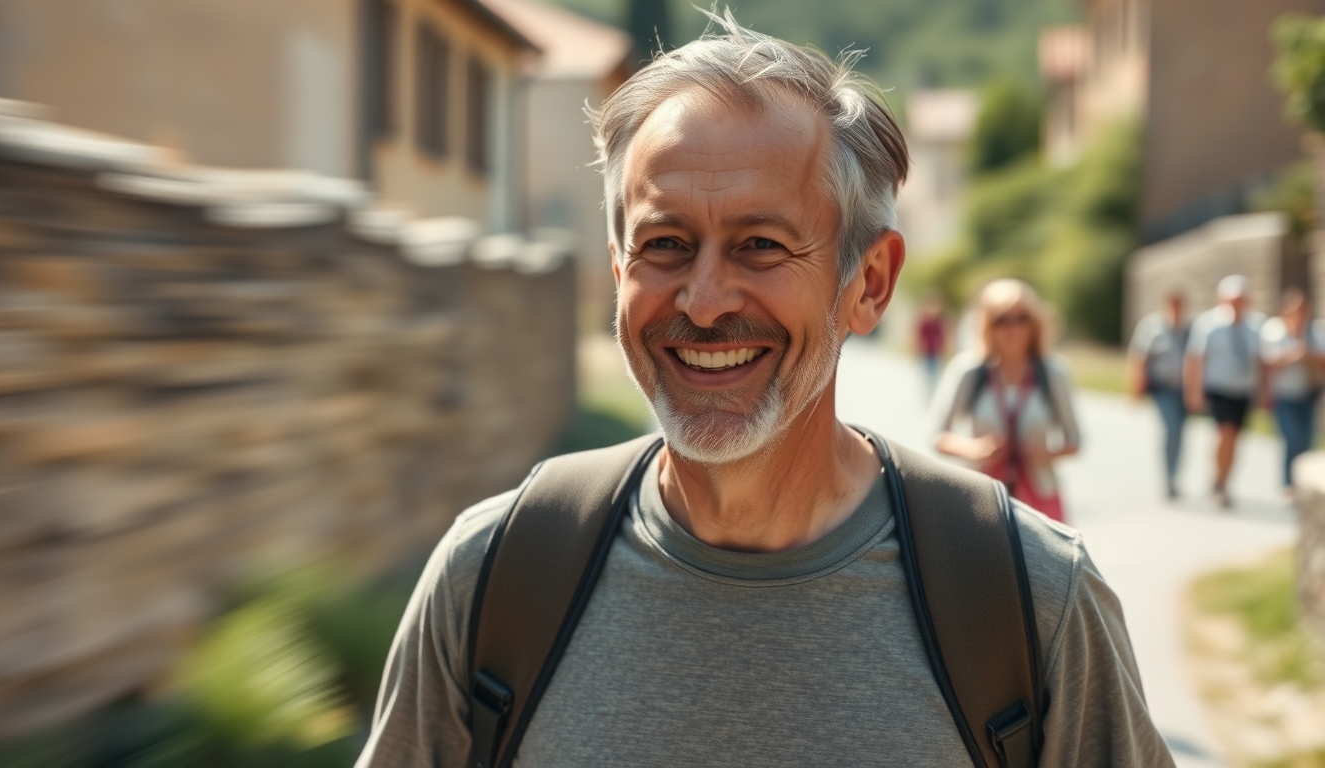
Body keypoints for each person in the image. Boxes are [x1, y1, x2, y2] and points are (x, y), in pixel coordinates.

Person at [355, 13, 1171, 768]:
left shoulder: (1030, 603)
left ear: (870, 282)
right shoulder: (491, 578)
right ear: (617, 272)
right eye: (665, 245)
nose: (704, 300)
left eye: (761, 245)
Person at [932, 280, 1081, 522]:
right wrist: (974, 448)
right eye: (1001, 319)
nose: (1012, 328)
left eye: (1021, 318)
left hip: (1040, 498)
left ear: (1035, 324)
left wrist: (1047, 454)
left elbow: (1075, 439)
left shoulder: (1053, 373)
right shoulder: (968, 371)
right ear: (986, 325)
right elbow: (936, 435)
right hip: (982, 500)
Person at [1184, 275, 1264, 508]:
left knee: (1236, 438)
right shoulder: (1209, 324)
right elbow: (1195, 359)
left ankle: (1225, 480)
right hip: (1219, 388)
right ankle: (1218, 481)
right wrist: (1194, 390)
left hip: (1244, 389)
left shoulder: (1255, 325)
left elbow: (1261, 361)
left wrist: (1263, 391)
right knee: (1225, 433)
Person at [1260, 287, 1325, 491]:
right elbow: (1267, 361)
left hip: (1309, 394)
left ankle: (1303, 485)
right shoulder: (1274, 330)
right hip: (1284, 395)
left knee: (1307, 440)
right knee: (1293, 437)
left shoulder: (1314, 331)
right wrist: (1294, 355)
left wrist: (1307, 355)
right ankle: (1289, 483)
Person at [1128, 290, 1190, 499]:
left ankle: (1174, 476)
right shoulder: (1152, 326)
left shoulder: (1190, 328)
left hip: (1184, 389)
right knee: (1171, 429)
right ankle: (1168, 479)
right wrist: (1136, 388)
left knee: (1180, 433)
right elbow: (1139, 358)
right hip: (1162, 388)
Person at [915, 291, 947, 393]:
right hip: (926, 351)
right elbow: (919, 335)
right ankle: (928, 391)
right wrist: (919, 346)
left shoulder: (939, 321)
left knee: (935, 373)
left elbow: (943, 335)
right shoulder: (924, 320)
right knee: (927, 373)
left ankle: (933, 390)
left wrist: (943, 347)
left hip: (936, 351)